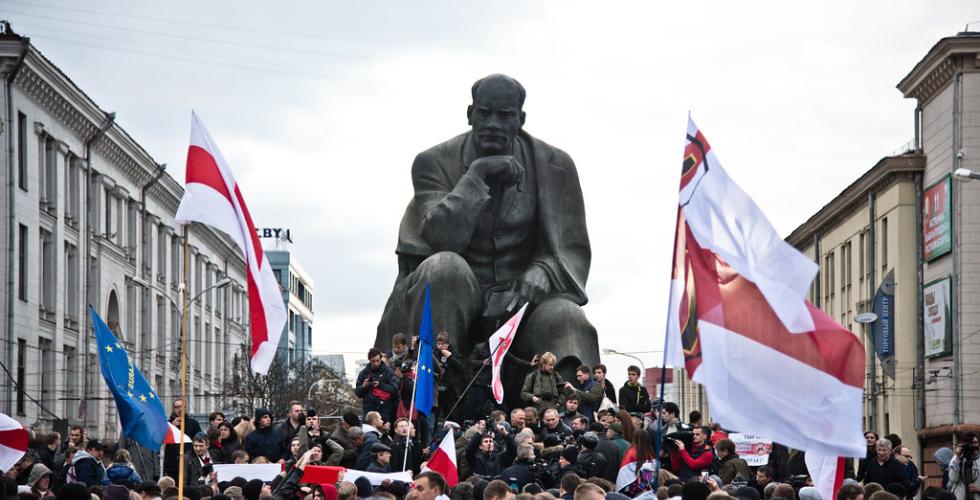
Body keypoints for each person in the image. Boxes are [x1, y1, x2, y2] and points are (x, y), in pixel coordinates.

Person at [376, 74, 598, 399]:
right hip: (453, 296)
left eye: (505, 115)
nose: (493, 123)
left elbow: (572, 249)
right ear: (471, 114)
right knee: (445, 268)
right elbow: (440, 236)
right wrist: (476, 176)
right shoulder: (433, 162)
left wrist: (543, 272)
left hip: (521, 304)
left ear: (520, 120)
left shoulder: (555, 166)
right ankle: (433, 400)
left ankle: (568, 418)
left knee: (565, 316)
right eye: (485, 113)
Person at [354, 349, 399, 424]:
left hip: (385, 409)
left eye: (378, 360)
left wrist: (380, 384)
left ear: (381, 359)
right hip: (369, 410)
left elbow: (394, 389)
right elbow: (358, 393)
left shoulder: (388, 372)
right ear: (369, 360)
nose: (376, 363)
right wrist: (363, 386)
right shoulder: (363, 373)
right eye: (373, 361)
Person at [164, 399, 202, 479]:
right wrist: (172, 426)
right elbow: (163, 439)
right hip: (172, 463)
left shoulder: (193, 423)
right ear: (173, 409)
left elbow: (199, 439)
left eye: (182, 407)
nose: (180, 409)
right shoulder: (167, 424)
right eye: (177, 407)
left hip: (189, 462)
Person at [948, 432, 980, 500]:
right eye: (971, 443)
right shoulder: (956, 459)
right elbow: (953, 479)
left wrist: (978, 489)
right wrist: (957, 458)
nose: (974, 446)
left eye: (976, 442)